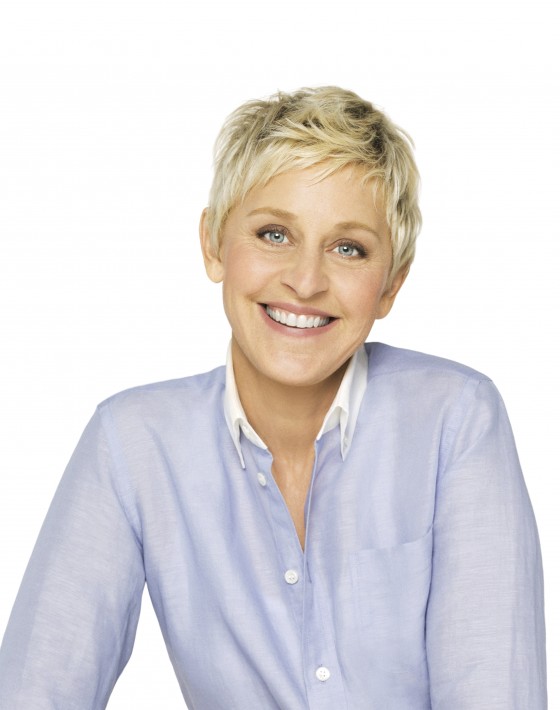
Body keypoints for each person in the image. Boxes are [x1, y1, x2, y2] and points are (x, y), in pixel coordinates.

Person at [0, 87, 546, 709]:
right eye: (274, 234)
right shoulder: (133, 444)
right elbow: (36, 690)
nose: (306, 281)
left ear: (391, 284)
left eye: (348, 248)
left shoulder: (456, 421)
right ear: (213, 244)